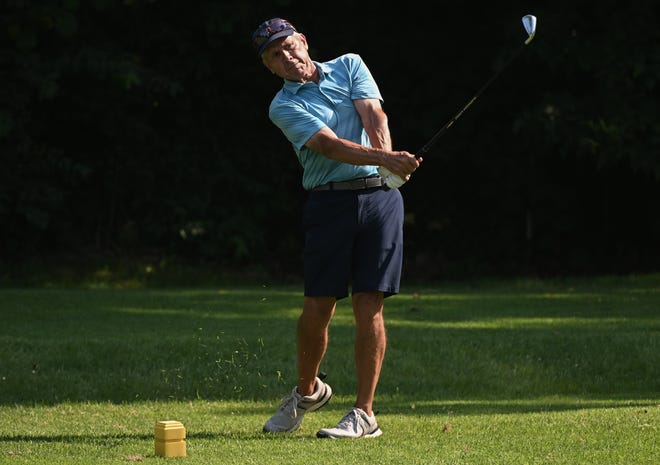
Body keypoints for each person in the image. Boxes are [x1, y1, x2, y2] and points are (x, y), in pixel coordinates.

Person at [251, 17, 421, 439]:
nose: (287, 57)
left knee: (369, 304)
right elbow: (327, 145)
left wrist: (387, 165)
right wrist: (388, 160)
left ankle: (364, 415)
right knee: (318, 307)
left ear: (304, 42)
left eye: (289, 46)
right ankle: (307, 392)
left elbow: (373, 113)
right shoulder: (282, 106)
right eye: (275, 55)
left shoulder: (349, 65)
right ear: (270, 68)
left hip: (380, 200)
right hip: (328, 202)